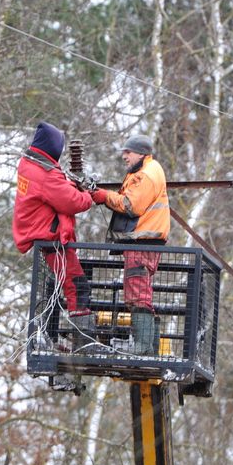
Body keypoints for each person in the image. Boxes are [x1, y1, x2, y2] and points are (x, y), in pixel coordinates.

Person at [12, 121, 96, 341]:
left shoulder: (29, 164)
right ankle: (83, 342)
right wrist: (88, 195)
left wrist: (69, 183)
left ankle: (56, 336)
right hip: (52, 241)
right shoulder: (45, 174)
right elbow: (72, 202)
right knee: (77, 286)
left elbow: (57, 187)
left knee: (59, 286)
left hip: (44, 237)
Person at [90, 134, 170, 354]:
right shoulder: (149, 170)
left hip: (142, 241)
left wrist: (104, 196)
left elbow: (130, 205)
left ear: (141, 153)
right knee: (141, 292)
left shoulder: (146, 175)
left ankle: (143, 347)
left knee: (137, 295)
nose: (124, 156)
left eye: (128, 152)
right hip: (146, 241)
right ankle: (148, 347)